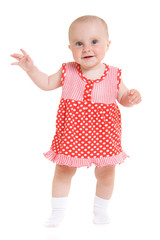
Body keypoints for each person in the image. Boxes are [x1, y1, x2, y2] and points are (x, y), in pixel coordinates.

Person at [11, 15, 142, 227]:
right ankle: (57, 211)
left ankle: (101, 211)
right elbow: (45, 83)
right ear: (70, 47)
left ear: (107, 45)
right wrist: (31, 70)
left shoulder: (114, 74)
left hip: (104, 135)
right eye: (79, 43)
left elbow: (123, 98)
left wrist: (131, 98)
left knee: (107, 171)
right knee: (63, 170)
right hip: (72, 134)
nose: (86, 48)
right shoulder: (67, 71)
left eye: (94, 42)